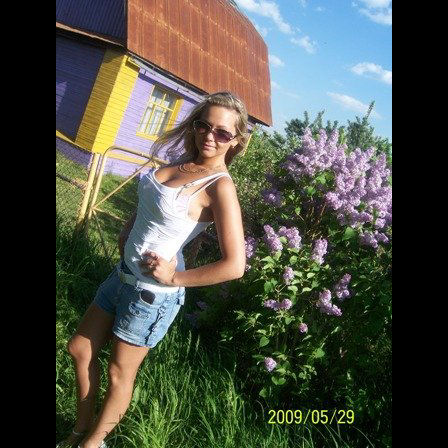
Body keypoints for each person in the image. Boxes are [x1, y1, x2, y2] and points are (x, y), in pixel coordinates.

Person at [57, 92, 249, 448]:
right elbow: (152, 202)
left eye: (222, 132)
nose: (210, 136)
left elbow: (235, 265)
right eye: (203, 126)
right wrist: (128, 227)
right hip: (121, 276)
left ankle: (91, 443)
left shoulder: (219, 186)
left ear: (236, 140)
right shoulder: (183, 163)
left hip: (150, 296)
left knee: (119, 374)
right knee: (79, 349)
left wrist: (175, 277)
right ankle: (79, 430)